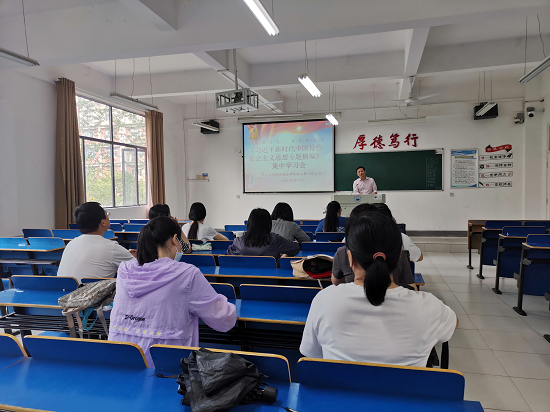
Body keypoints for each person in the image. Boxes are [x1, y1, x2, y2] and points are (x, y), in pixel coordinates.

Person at [300, 212, 457, 367]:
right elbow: (453, 323)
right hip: (404, 385)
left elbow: (313, 354)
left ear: (350, 258)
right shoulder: (430, 307)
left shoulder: (324, 300)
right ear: (399, 257)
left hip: (339, 385)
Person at [108, 216, 236, 366]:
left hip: (119, 361)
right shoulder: (187, 274)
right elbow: (223, 319)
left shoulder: (124, 270)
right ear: (175, 240)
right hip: (166, 365)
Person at [332, 203, 416, 289]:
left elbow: (335, 283)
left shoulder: (342, 252)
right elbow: (412, 286)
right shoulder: (394, 250)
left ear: (351, 257)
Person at [57, 202, 135, 282]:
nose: (108, 218)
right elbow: (139, 270)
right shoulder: (111, 248)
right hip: (90, 290)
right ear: (103, 222)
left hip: (62, 289)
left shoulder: (71, 244)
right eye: (107, 215)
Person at [226, 208, 300, 259]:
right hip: (270, 277)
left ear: (249, 224)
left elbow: (226, 258)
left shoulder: (238, 242)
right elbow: (295, 248)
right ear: (269, 224)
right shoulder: (275, 240)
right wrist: (282, 257)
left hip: (242, 277)